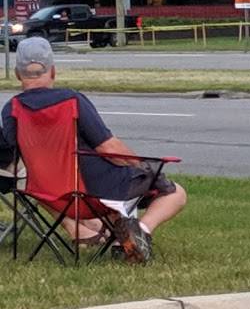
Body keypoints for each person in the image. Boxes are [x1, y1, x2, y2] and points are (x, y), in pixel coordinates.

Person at [1, 38, 187, 263]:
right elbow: (109, 148)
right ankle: (138, 233)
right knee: (175, 192)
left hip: (49, 194)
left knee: (116, 186)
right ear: (53, 71)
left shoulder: (11, 110)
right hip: (92, 193)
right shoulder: (71, 100)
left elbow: (19, 154)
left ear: (18, 74)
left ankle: (120, 234)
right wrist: (139, 165)